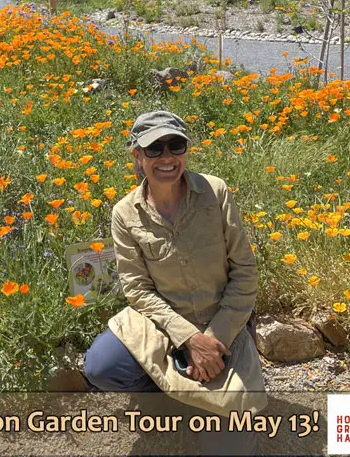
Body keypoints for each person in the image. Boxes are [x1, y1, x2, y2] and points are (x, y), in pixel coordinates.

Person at [83, 110, 267, 455]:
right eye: (154, 149)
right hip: (164, 323)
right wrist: (188, 338)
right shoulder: (125, 213)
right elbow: (137, 289)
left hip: (222, 324)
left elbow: (244, 272)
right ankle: (167, 393)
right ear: (137, 155)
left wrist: (212, 340)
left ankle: (204, 380)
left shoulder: (216, 192)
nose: (166, 158)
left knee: (228, 450)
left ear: (186, 150)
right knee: (102, 365)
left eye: (175, 145)